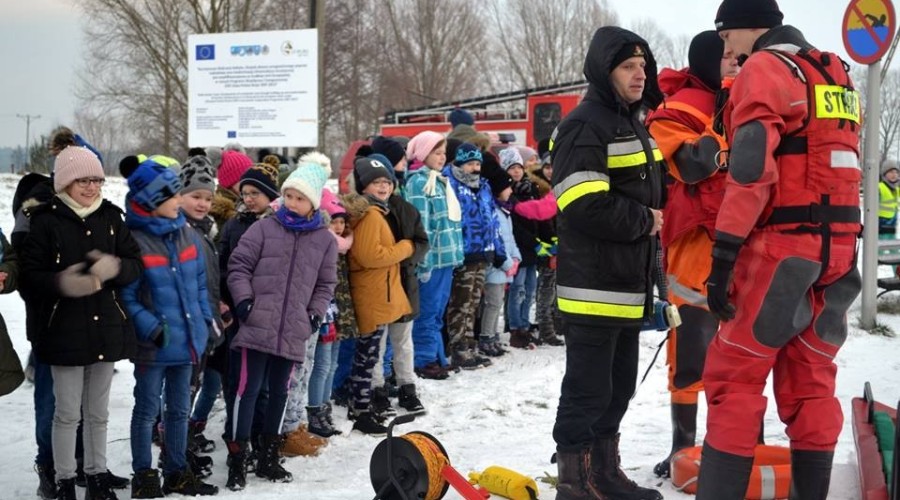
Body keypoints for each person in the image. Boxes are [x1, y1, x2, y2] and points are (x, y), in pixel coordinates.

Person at [696, 2, 863, 499]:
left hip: (782, 252)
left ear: (751, 27)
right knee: (811, 380)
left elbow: (750, 170)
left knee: (734, 377)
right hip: (838, 255)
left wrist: (724, 254)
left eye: (727, 37)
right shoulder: (834, 74)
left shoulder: (766, 68)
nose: (727, 49)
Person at [549, 26, 664, 499]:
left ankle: (605, 474)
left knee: (617, 391)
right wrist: (646, 220)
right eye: (628, 67)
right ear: (604, 70)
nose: (639, 75)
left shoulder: (631, 123)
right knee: (587, 392)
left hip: (627, 288)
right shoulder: (584, 124)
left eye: (643, 66)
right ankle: (574, 483)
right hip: (592, 290)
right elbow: (580, 202)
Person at [20, 146, 143, 500]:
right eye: (82, 181)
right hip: (63, 331)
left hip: (105, 327)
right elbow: (30, 278)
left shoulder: (111, 217)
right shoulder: (44, 221)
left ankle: (97, 475)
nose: (91, 187)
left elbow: (135, 263)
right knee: (67, 413)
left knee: (98, 413)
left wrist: (117, 267)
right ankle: (63, 481)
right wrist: (61, 283)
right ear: (64, 183)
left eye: (96, 180)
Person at [644, 30, 738, 478]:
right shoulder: (673, 110)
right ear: (708, 61)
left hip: (744, 242)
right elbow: (693, 164)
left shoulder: (747, 97)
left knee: (742, 356)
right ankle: (683, 448)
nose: (737, 64)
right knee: (690, 357)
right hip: (695, 247)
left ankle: (739, 447)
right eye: (729, 58)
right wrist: (732, 138)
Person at [225, 162, 337, 490]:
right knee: (247, 391)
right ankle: (238, 458)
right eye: (287, 195)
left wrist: (314, 315)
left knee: (280, 393)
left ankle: (268, 456)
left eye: (299, 198)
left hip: (293, 329)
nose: (291, 202)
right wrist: (245, 303)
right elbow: (238, 266)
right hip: (257, 323)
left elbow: (325, 283)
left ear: (313, 203)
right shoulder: (263, 228)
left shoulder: (325, 241)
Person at [121, 159, 219, 498]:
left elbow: (200, 286)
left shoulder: (185, 234)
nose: (179, 201)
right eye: (172, 196)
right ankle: (144, 475)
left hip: (188, 342)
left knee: (178, 411)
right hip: (154, 345)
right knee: (147, 410)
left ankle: (176, 470)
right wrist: (152, 329)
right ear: (151, 201)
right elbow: (127, 298)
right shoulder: (133, 240)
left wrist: (207, 324)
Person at [346, 157, 415, 435]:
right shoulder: (372, 215)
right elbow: (368, 256)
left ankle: (360, 406)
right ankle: (361, 410)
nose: (384, 186)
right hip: (372, 295)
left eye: (387, 181)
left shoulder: (377, 212)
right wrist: (404, 248)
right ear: (364, 186)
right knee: (367, 356)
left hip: (377, 292)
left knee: (370, 353)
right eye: (377, 182)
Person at [403, 131, 464, 379]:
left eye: (443, 153)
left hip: (447, 260)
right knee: (427, 312)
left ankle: (437, 355)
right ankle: (424, 360)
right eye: (437, 153)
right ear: (423, 154)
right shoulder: (419, 182)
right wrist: (424, 261)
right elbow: (423, 224)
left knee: (438, 311)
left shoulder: (440, 180)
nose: (442, 157)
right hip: (433, 260)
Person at [180, 155, 227, 455]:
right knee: (182, 390)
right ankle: (175, 440)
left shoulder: (205, 230)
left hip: (206, 320)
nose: (202, 203)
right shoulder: (182, 232)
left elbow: (209, 277)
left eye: (208, 198)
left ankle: (183, 436)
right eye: (195, 196)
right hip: (188, 325)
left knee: (195, 385)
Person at [444, 143, 502, 369]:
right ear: (459, 163)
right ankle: (457, 347)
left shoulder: (484, 186)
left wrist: (497, 249)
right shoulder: (451, 184)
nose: (475, 168)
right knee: (461, 301)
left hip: (483, 251)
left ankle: (469, 344)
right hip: (463, 252)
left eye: (478, 163)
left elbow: (493, 219)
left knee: (474, 303)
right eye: (470, 163)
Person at [479, 159, 520, 357]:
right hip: (496, 267)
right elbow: (497, 241)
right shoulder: (494, 212)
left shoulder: (505, 212)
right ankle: (486, 337)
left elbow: (510, 238)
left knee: (497, 303)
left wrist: (515, 257)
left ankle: (493, 336)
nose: (510, 191)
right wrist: (506, 262)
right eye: (507, 188)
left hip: (505, 265)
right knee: (493, 304)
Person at [879, 160, 900, 239]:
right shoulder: (880, 187)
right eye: (891, 172)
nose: (894, 174)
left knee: (894, 250)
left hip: (892, 227)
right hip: (880, 228)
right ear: (885, 174)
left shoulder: (896, 189)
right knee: (879, 250)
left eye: (896, 172)